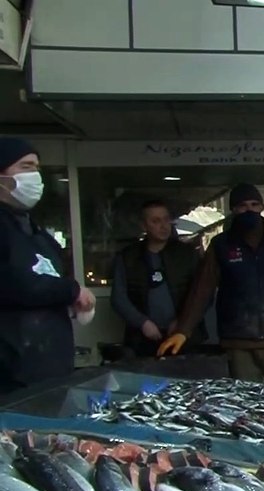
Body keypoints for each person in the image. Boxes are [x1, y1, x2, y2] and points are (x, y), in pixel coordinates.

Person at [158, 183, 264, 384]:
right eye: (242, 205)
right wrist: (183, 330)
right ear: (233, 210)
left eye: (254, 204)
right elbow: (203, 289)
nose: (249, 210)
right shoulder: (221, 244)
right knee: (246, 405)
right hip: (238, 342)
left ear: (262, 207)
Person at [0, 138, 95, 395]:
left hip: (48, 369)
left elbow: (49, 277)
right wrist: (70, 291)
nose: (35, 176)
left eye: (37, 168)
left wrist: (73, 300)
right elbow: (13, 284)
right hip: (10, 374)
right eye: (25, 167)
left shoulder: (37, 232)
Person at [111, 200, 203, 358]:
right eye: (156, 221)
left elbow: (201, 294)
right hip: (142, 339)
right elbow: (119, 298)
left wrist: (183, 321)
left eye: (166, 219)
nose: (164, 226)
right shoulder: (128, 257)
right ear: (144, 225)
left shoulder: (187, 254)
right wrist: (142, 323)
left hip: (184, 337)